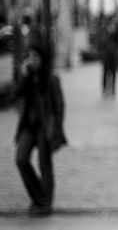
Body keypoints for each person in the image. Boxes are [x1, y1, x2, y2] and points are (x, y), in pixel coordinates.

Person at [13, 24, 67, 215]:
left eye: (35, 57)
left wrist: (57, 129)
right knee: (21, 159)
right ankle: (38, 197)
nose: (32, 60)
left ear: (43, 59)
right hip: (28, 125)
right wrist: (23, 78)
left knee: (45, 163)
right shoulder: (28, 77)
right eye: (29, 56)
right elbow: (13, 96)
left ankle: (46, 203)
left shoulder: (51, 80)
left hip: (45, 127)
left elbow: (59, 107)